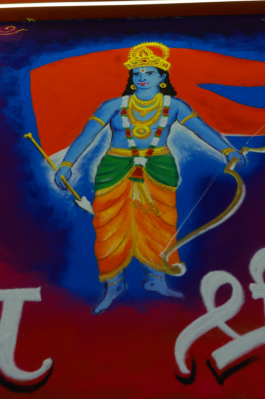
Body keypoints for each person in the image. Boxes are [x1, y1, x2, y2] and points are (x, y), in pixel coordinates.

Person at [55, 42, 246, 314]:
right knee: (109, 227)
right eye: (137, 73)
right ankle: (113, 285)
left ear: (162, 77)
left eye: (149, 72)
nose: (142, 77)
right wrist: (66, 164)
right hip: (115, 168)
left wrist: (227, 151)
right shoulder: (113, 106)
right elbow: (88, 135)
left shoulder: (174, 106)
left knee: (159, 224)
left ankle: (156, 280)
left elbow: (201, 129)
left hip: (159, 168)